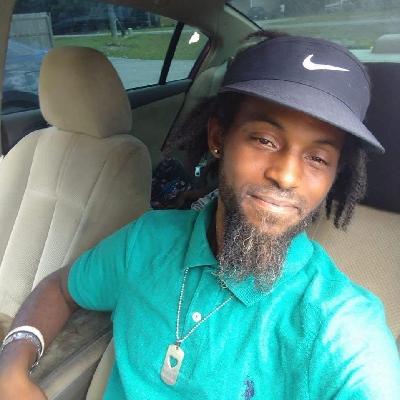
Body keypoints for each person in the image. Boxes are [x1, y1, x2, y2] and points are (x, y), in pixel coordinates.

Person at [1, 32, 399, 399]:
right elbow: (61, 288)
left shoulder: (340, 326)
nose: (287, 175)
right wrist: (12, 365)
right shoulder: (146, 241)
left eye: (318, 158)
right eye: (264, 140)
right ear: (217, 139)